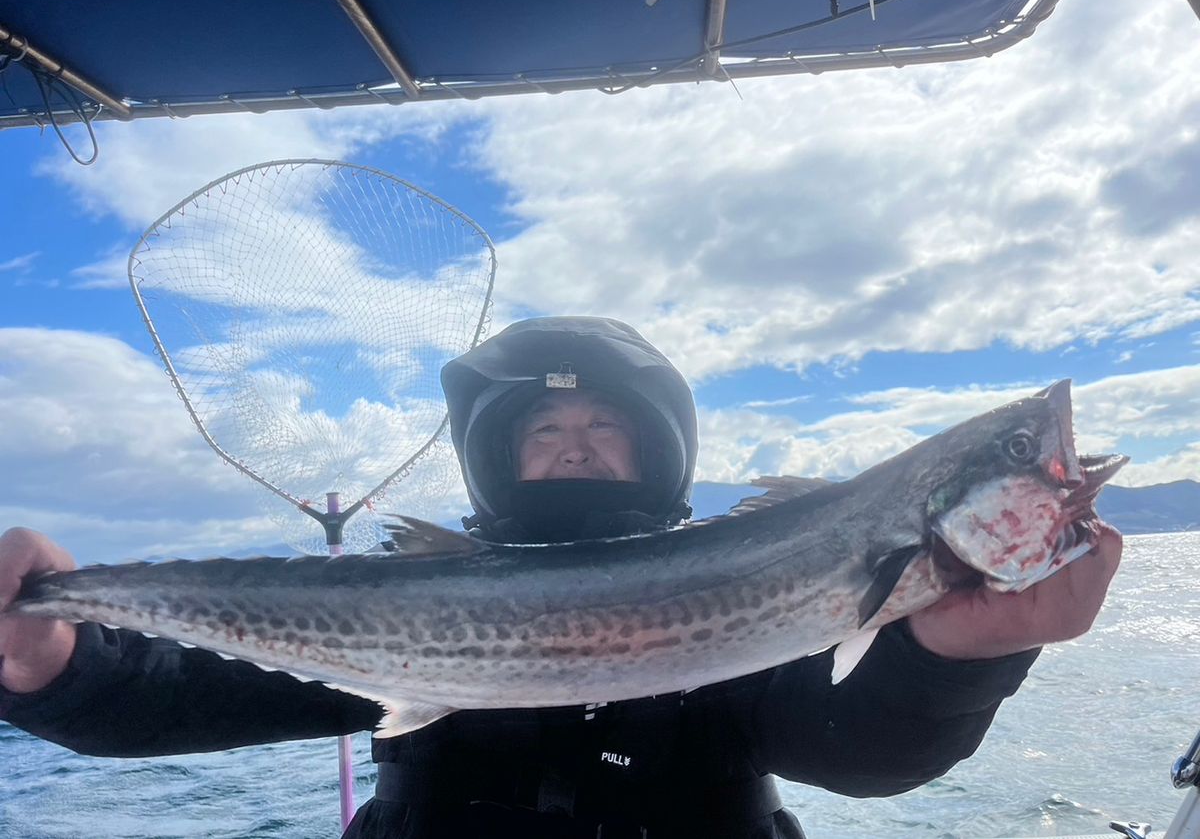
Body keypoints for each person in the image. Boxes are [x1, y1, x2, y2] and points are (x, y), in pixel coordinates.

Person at [0, 316, 1122, 839]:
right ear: (501, 453)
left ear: (657, 446)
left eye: (604, 424)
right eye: (545, 426)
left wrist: (965, 657)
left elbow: (857, 753)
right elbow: (180, 700)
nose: (576, 444)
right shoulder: (407, 601)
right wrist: (50, 662)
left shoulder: (754, 561)